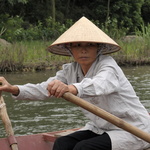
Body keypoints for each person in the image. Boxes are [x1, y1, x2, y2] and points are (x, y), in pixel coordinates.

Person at [0, 16, 150, 150]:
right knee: (62, 144)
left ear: (98, 48)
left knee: (84, 148)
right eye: (77, 45)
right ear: (70, 49)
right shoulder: (69, 70)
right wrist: (14, 89)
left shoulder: (108, 66)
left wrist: (72, 88)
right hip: (101, 128)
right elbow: (43, 89)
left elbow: (100, 84)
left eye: (89, 45)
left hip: (133, 129)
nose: (83, 50)